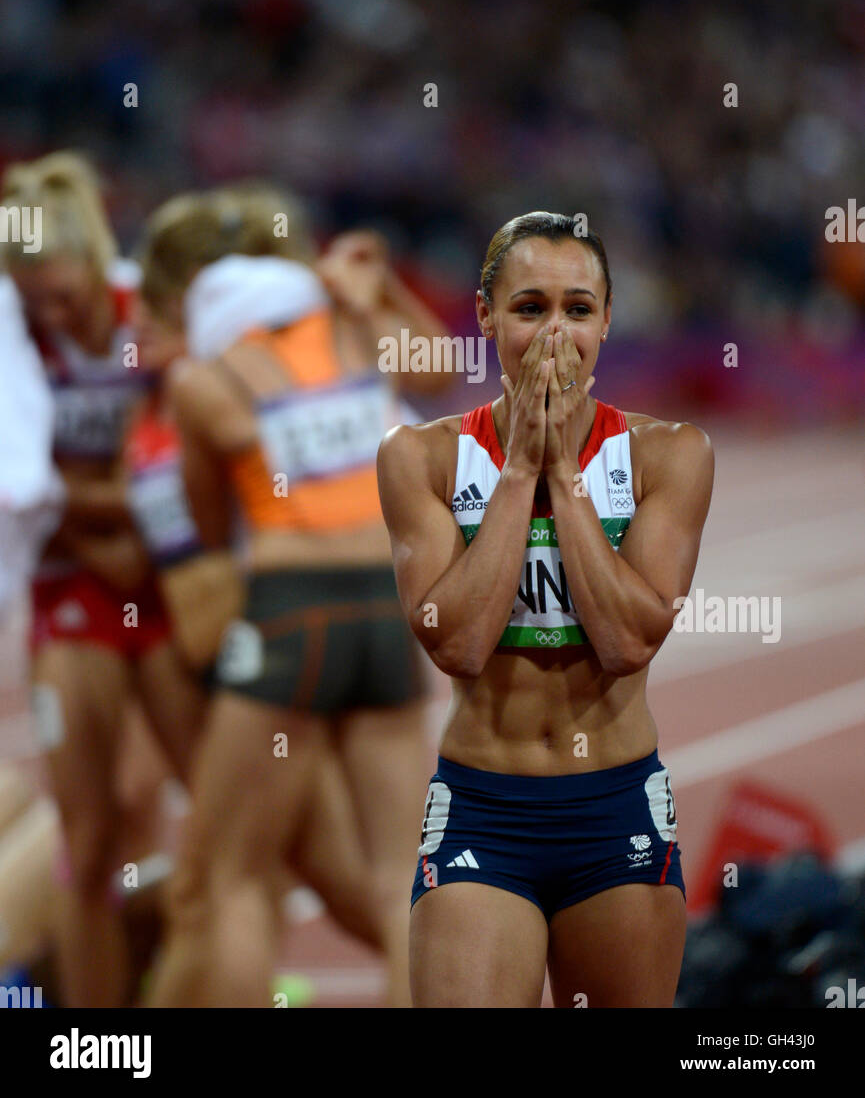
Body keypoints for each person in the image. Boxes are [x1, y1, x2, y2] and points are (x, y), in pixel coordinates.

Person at [377, 211, 715, 1008]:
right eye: (529, 308)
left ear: (606, 322)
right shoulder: (417, 457)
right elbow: (455, 644)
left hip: (614, 809)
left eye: (577, 308)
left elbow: (630, 639)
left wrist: (561, 476)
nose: (554, 332)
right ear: (485, 316)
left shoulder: (670, 453)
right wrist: (520, 463)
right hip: (484, 814)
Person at [142, 187, 446, 1007]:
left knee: (234, 879)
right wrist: (376, 288)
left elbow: (210, 529)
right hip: (386, 608)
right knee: (399, 880)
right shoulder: (350, 334)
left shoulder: (207, 380)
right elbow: (442, 363)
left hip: (288, 608)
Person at [0, 152, 201, 1006]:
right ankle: (90, 1035)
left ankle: (193, 984)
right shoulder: (16, 340)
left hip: (163, 588)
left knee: (206, 810)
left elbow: (186, 470)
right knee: (86, 841)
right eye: (36, 298)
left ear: (97, 263)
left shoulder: (140, 315)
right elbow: (23, 488)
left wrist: (77, 499)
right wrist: (106, 505)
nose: (56, 312)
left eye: (67, 294)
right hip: (68, 595)